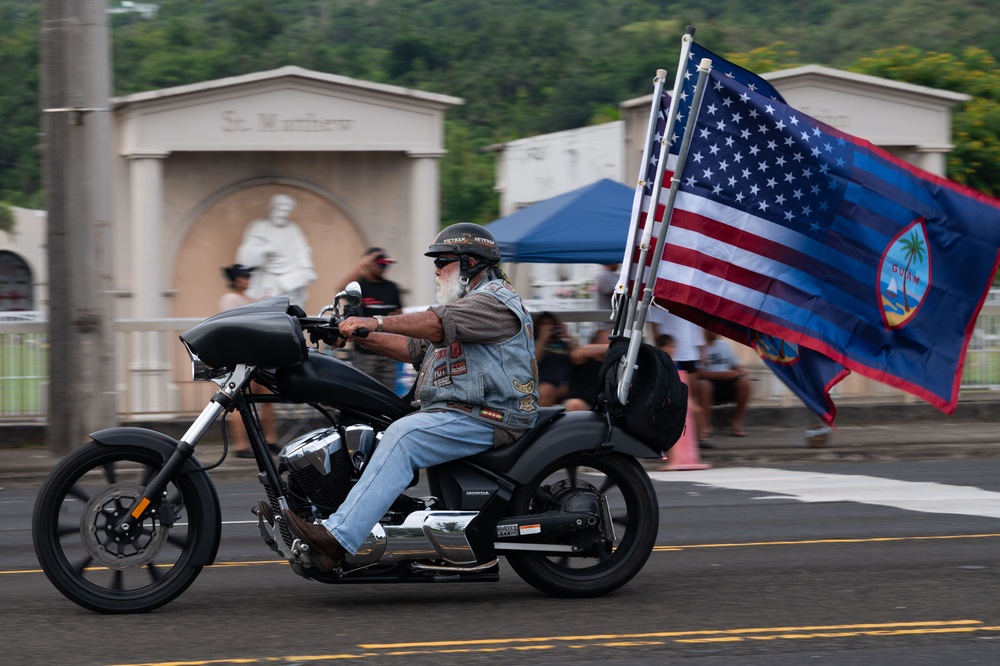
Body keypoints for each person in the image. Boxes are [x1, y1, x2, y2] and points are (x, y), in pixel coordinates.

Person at [281, 223, 539, 571]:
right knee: (371, 423)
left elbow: (434, 324)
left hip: (489, 415)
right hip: (458, 410)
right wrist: (350, 332)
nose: (436, 270)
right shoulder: (468, 304)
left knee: (404, 437)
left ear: (472, 263)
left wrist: (375, 322)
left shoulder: (492, 303)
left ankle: (337, 539)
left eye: (443, 261)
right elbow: (414, 346)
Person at [218, 264, 279, 458]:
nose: (247, 279)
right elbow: (237, 320)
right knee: (240, 400)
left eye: (248, 275)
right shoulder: (230, 299)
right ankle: (242, 446)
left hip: (254, 356)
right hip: (241, 358)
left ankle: (271, 439)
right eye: (244, 276)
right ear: (235, 280)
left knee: (267, 399)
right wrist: (262, 304)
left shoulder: (245, 299)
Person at [337, 247, 404, 390]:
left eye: (385, 264)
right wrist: (361, 264)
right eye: (380, 263)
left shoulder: (392, 287)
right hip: (364, 352)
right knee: (365, 389)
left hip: (388, 351)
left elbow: (398, 314)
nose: (383, 267)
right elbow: (341, 288)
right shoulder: (359, 287)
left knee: (388, 392)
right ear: (370, 264)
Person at [236, 193, 317, 306]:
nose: (282, 215)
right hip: (268, 275)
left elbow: (302, 251)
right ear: (272, 209)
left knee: (291, 308)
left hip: (290, 277)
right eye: (279, 212)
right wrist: (265, 249)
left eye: (285, 213)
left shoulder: (293, 229)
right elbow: (245, 255)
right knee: (268, 306)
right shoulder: (259, 226)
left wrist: (306, 269)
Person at [647, 307, 711, 447]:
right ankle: (673, 435)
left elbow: (697, 330)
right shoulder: (658, 304)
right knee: (670, 399)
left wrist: (702, 351)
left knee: (690, 398)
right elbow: (655, 329)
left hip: (689, 355)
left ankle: (697, 436)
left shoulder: (692, 304)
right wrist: (660, 352)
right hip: (669, 356)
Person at [697, 329, 751, 439]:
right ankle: (706, 425)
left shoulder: (725, 345)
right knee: (703, 385)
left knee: (745, 382)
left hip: (727, 381)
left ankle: (737, 421)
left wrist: (741, 371)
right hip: (709, 382)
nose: (717, 330)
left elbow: (736, 365)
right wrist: (722, 375)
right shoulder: (698, 348)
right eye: (713, 328)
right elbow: (697, 374)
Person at [563, 328, 611, 411]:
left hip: (606, 404)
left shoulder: (615, 363)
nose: (608, 344)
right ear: (595, 343)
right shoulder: (581, 356)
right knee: (574, 404)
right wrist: (616, 347)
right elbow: (578, 352)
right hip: (582, 403)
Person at [533, 311, 575, 406]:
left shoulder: (563, 344)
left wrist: (567, 336)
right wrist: (542, 339)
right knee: (546, 391)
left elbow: (576, 356)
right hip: (544, 382)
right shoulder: (534, 343)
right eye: (543, 324)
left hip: (565, 382)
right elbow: (534, 361)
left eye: (550, 324)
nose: (547, 327)